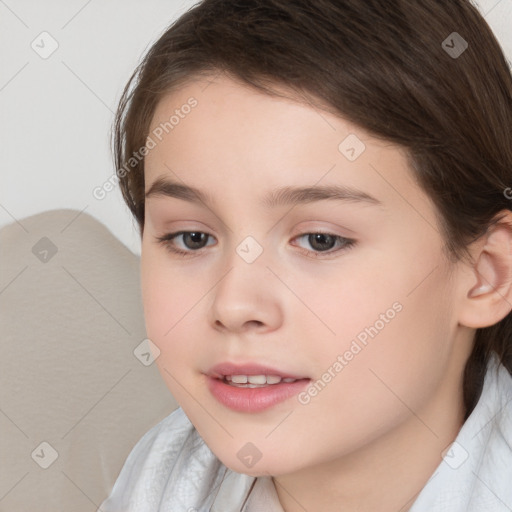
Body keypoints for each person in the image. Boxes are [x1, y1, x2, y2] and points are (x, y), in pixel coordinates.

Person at [99, 0, 512, 510]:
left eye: (320, 240)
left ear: (487, 274)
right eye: (192, 238)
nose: (233, 304)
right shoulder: (160, 476)